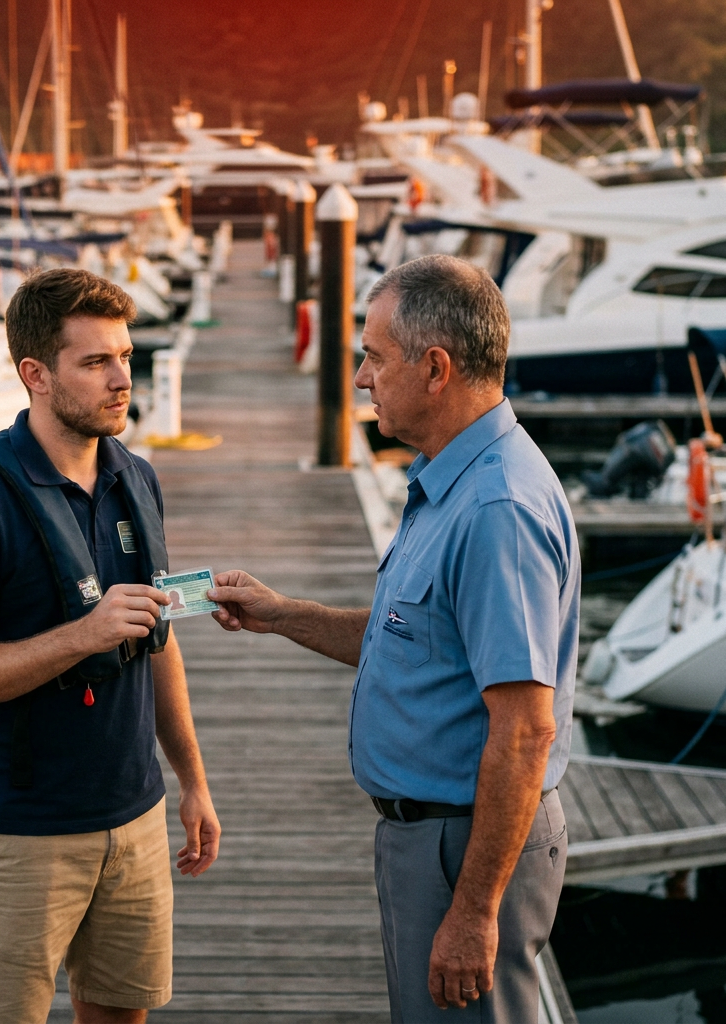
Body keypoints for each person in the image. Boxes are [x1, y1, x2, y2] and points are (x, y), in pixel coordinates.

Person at [208, 254, 578, 1022]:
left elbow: (523, 731)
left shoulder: (495, 510)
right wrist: (280, 613)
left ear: (435, 367)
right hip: (432, 845)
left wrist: (473, 912)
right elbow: (411, 641)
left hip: (464, 851)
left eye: (375, 357)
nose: (362, 378)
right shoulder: (450, 480)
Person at [0, 268, 221, 1024]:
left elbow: (159, 642)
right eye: (96, 362)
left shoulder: (136, 478)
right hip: (20, 834)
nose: (123, 378)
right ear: (36, 375)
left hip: (134, 816)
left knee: (122, 1015)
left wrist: (192, 780)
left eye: (124, 355)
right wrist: (82, 635)